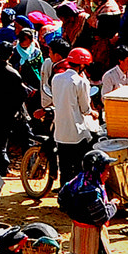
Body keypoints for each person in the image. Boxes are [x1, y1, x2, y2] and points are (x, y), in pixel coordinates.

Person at [59, 150, 119, 254]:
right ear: (97, 169)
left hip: (78, 233)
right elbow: (101, 217)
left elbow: (62, 203)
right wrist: (113, 205)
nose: (108, 173)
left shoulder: (75, 183)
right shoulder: (91, 191)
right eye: (106, 169)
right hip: (92, 237)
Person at [50, 47, 97, 187]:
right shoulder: (81, 82)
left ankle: (64, 199)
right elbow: (85, 108)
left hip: (60, 133)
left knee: (64, 169)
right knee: (78, 169)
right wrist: (93, 113)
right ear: (82, 65)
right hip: (76, 133)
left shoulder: (56, 78)